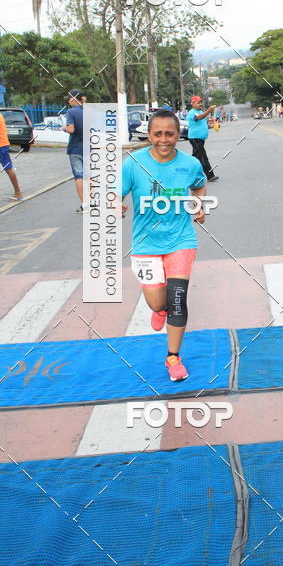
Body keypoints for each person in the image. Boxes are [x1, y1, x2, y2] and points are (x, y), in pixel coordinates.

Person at [121, 109, 208, 381]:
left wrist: (198, 204)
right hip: (146, 244)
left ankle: (173, 356)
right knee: (159, 301)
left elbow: (200, 185)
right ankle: (159, 310)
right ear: (148, 135)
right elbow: (115, 191)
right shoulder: (133, 163)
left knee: (178, 298)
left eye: (169, 134)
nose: (163, 139)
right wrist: (116, 202)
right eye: (157, 134)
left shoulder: (190, 163)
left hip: (181, 239)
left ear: (178, 135)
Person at [63, 89, 85, 212]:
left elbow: (71, 129)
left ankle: (85, 205)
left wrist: (64, 128)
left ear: (74, 98)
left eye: (70, 98)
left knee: (79, 177)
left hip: (75, 149)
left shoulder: (71, 112)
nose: (69, 101)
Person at [186, 96, 219, 182]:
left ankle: (186, 172)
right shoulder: (192, 113)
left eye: (201, 102)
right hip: (195, 138)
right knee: (203, 157)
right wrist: (208, 111)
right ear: (192, 104)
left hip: (200, 139)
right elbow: (198, 118)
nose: (200, 104)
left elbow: (203, 124)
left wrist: (214, 126)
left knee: (196, 157)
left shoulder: (200, 112)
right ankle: (210, 176)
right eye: (198, 102)